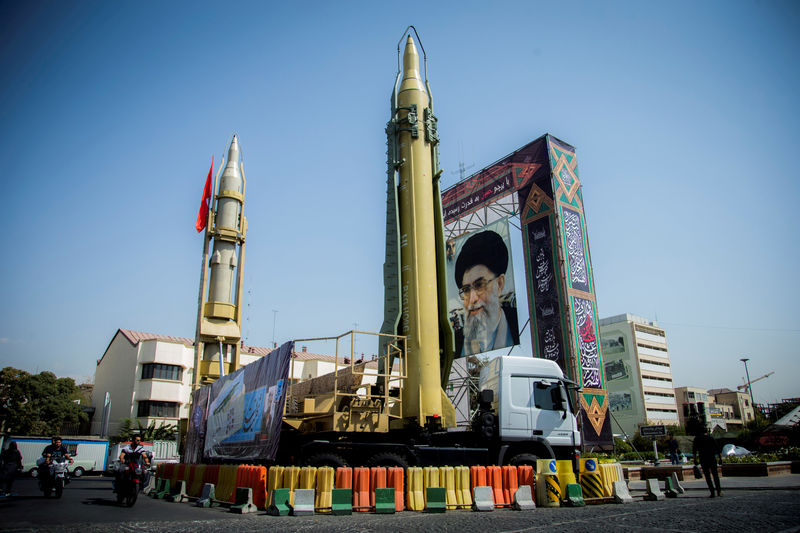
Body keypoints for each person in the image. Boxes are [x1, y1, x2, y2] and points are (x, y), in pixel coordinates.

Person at [454, 230, 520, 356]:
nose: (472, 299)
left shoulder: (519, 328)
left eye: (479, 285)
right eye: (466, 290)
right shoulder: (454, 343)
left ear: (499, 284)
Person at [693, 427, 722, 497]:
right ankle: (719, 491)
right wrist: (720, 459)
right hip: (712, 458)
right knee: (715, 475)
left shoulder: (697, 439)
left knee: (707, 476)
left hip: (703, 458)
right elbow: (718, 449)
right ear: (706, 432)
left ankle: (712, 492)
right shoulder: (711, 438)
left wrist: (695, 459)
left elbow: (694, 451)